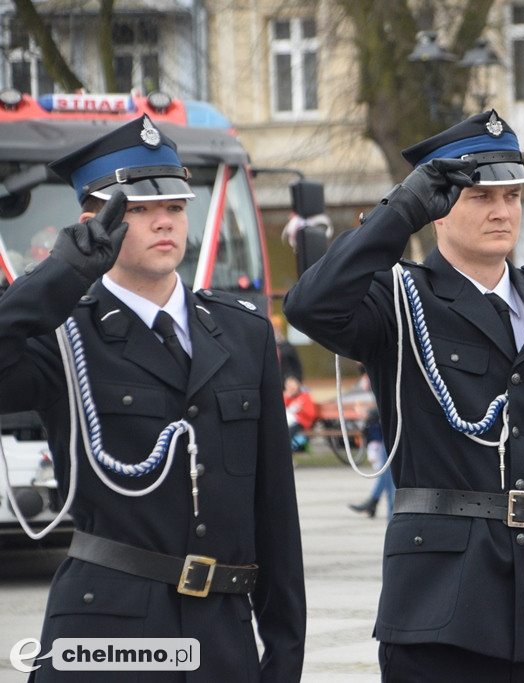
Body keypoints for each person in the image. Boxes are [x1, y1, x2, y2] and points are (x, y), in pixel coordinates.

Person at [284, 110, 524, 683]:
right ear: (439, 205)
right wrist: (399, 211)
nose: (502, 211)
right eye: (480, 196)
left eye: (512, 195)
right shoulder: (398, 299)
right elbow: (310, 305)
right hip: (439, 610)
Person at [0, 115, 305, 681]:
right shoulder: (64, 332)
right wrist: (62, 273)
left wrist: (285, 655)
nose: (164, 221)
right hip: (107, 634)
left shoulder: (244, 333)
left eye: (174, 206)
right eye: (138, 209)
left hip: (222, 635)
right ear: (93, 222)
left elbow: (276, 516)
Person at [284, 374, 318, 452]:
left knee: (288, 434)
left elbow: (312, 414)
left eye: (292, 385)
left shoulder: (304, 397)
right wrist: (287, 397)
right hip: (289, 421)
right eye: (288, 386)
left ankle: (288, 456)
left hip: (301, 423)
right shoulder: (285, 396)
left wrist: (301, 409)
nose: (290, 388)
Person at [273, 313, 304, 385]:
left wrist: (296, 381)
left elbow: (296, 366)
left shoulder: (287, 346)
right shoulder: (269, 345)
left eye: (276, 327)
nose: (275, 330)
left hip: (288, 384)